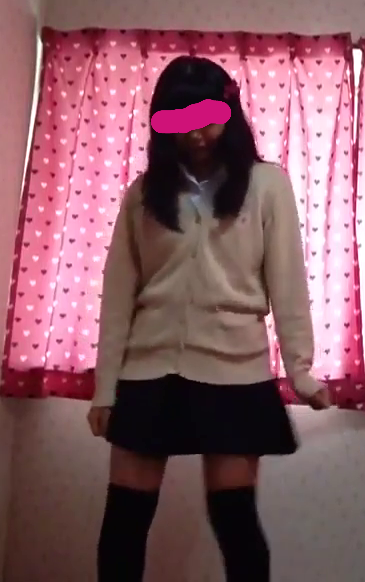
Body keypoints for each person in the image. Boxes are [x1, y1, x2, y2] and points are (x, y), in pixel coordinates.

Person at [87, 56, 330, 582]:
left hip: (235, 374)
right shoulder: (143, 195)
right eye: (180, 121)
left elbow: (288, 283)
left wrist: (301, 370)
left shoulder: (267, 185)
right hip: (149, 372)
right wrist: (105, 389)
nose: (196, 134)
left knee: (235, 523)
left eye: (208, 119)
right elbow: (119, 296)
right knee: (124, 522)